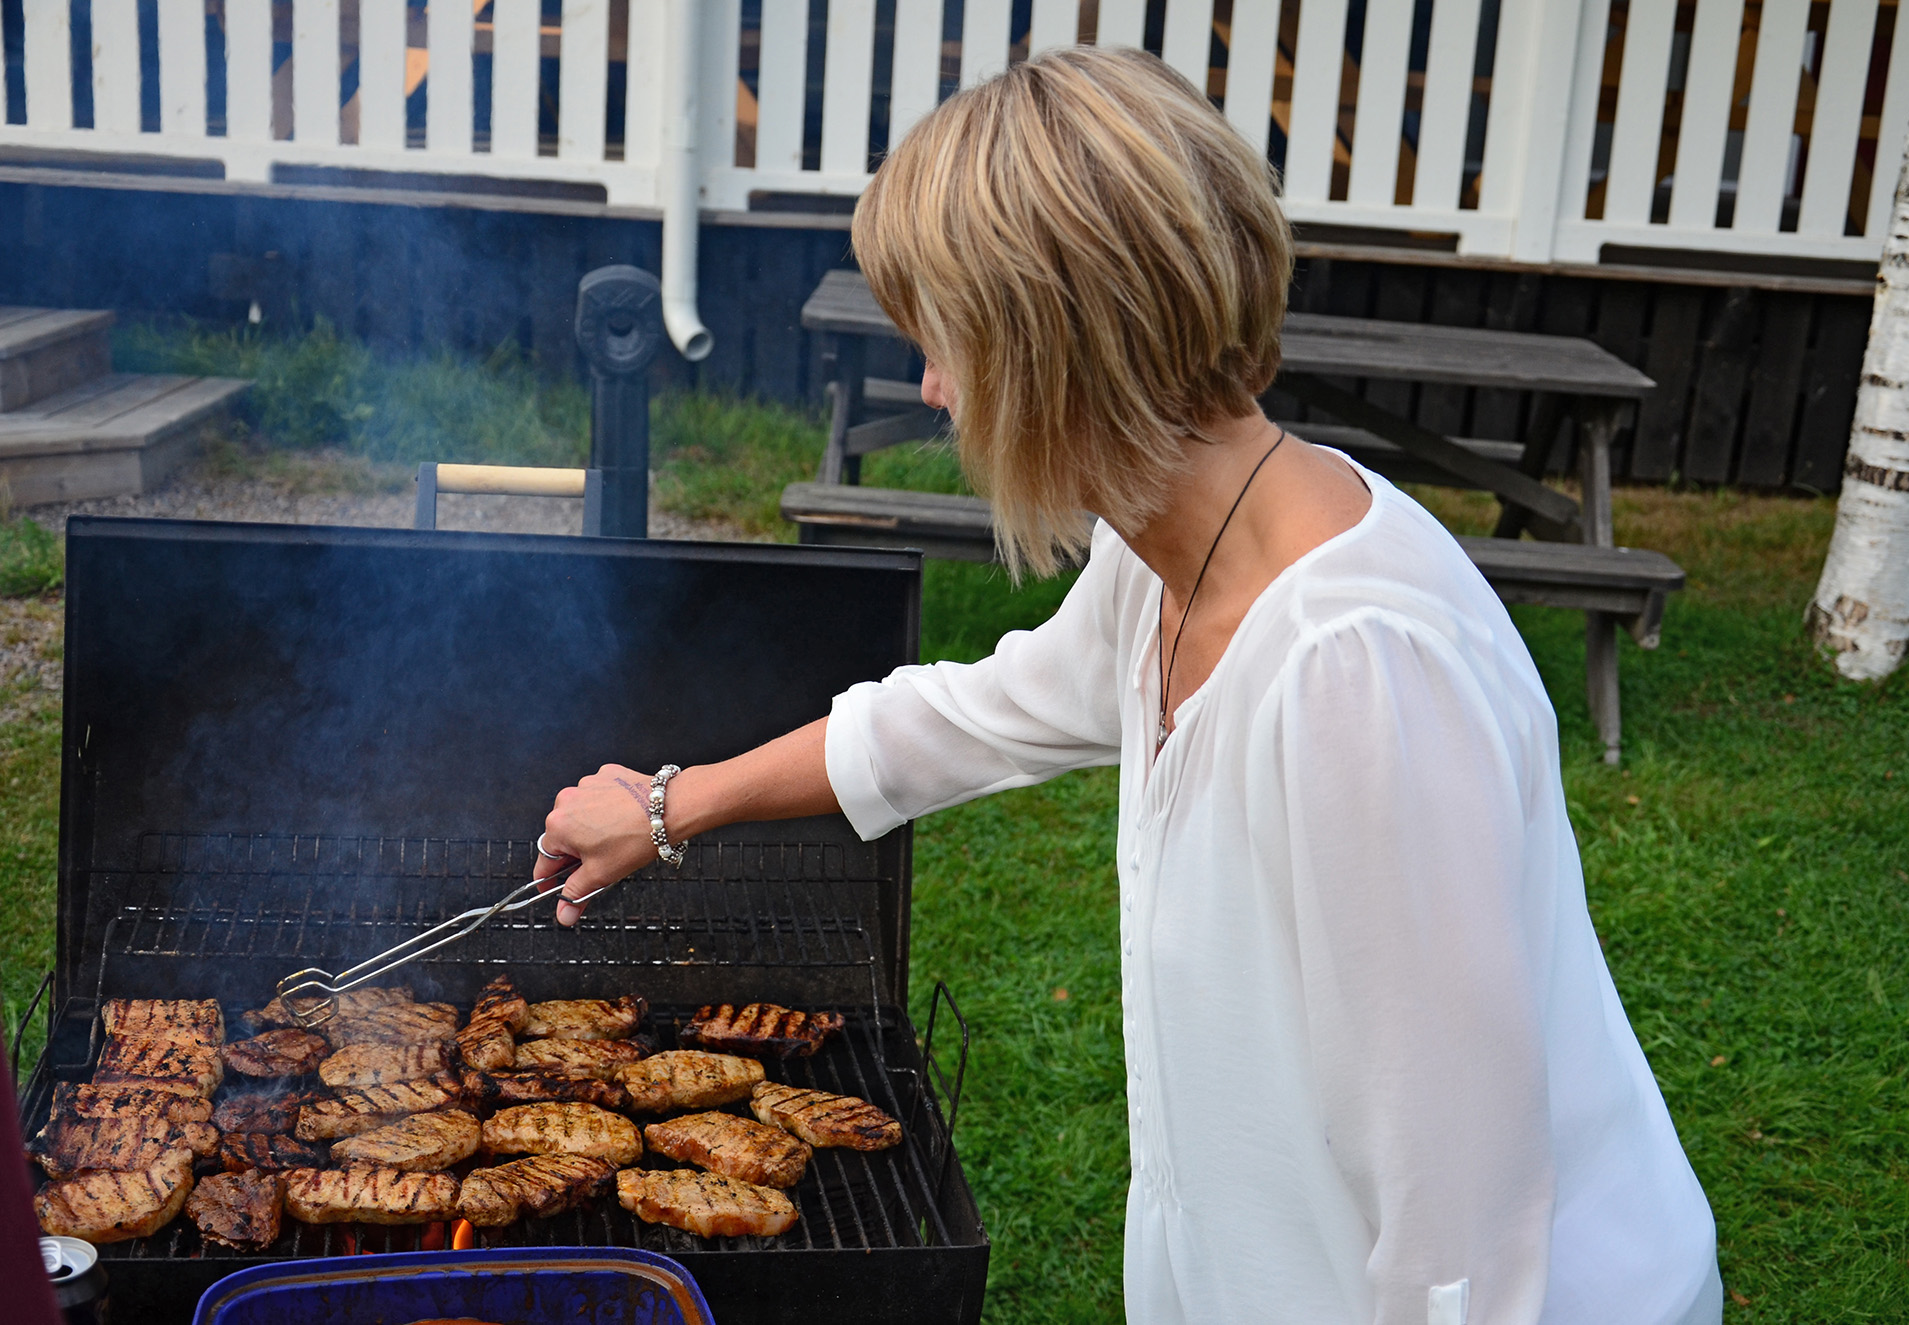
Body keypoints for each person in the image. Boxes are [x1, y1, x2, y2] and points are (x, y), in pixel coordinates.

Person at [535, 45, 1720, 1325]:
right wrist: (666, 807)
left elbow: (1460, 1231)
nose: (930, 390)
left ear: (1057, 350)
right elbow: (965, 715)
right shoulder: (1166, 554)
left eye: (944, 346)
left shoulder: (1352, 672)